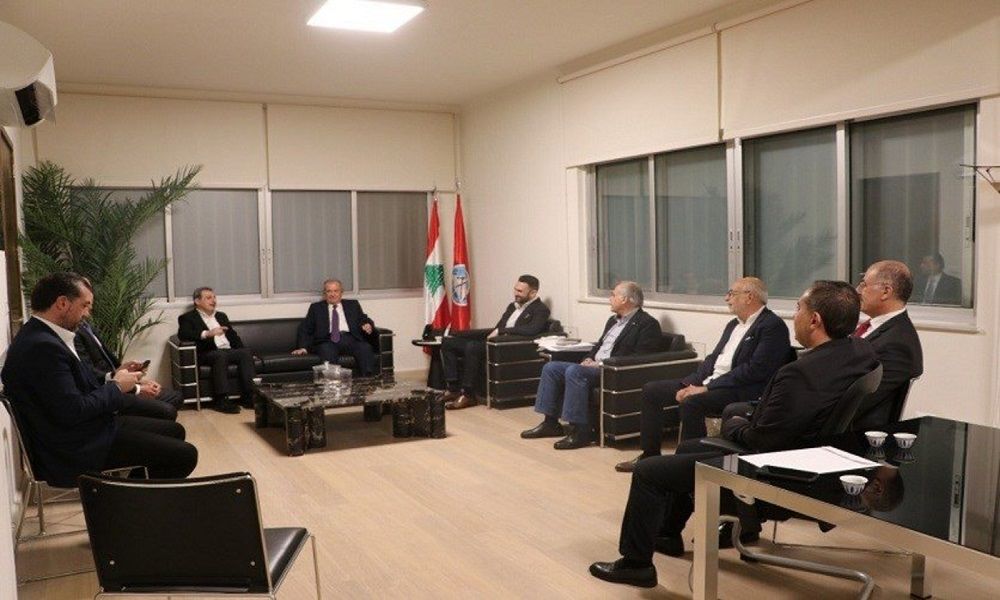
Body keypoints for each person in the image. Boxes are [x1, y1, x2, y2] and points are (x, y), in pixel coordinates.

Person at [589, 281, 878, 589]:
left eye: (798, 309)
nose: (794, 315)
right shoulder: (858, 352)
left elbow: (760, 440)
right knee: (687, 447)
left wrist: (735, 423)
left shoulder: (799, 373)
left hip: (771, 471)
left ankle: (636, 565)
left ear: (814, 320)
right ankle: (667, 534)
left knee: (649, 472)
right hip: (809, 456)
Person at [2, 272, 197, 487]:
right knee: (185, 455)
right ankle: (124, 499)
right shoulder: (43, 348)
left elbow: (78, 388)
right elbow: (74, 410)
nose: (87, 313)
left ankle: (130, 494)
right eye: (84, 305)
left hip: (88, 428)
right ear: (62, 303)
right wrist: (117, 386)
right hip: (76, 447)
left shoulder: (43, 335)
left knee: (175, 431)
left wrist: (116, 378)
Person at [615, 277, 791, 473]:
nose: (727, 298)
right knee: (652, 391)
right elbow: (713, 359)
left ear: (749, 297)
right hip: (711, 382)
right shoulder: (733, 325)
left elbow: (754, 369)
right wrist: (690, 383)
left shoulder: (772, 326)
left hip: (739, 389)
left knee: (692, 402)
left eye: (732, 293)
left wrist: (706, 388)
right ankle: (649, 455)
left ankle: (685, 466)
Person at [520, 281, 661, 450]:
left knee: (574, 371)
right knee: (551, 368)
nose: (610, 299)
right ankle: (550, 423)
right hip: (595, 366)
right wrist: (588, 358)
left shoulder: (647, 324)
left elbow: (640, 357)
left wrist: (600, 363)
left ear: (624, 299)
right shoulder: (613, 321)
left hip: (613, 371)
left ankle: (581, 431)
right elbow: (599, 345)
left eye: (613, 295)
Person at [441, 274, 551, 410]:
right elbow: (497, 328)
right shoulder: (512, 306)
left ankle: (468, 394)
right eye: (515, 289)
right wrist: (460, 333)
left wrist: (501, 331)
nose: (516, 293)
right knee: (448, 342)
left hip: (507, 348)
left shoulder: (541, 309)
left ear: (533, 293)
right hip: (494, 342)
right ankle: (453, 388)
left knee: (472, 347)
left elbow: (531, 330)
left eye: (520, 291)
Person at [852, 260, 924, 430]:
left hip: (856, 433)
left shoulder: (897, 344)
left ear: (886, 291)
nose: (857, 291)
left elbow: (857, 402)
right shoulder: (874, 328)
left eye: (864, 285)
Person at [75, 319, 183, 421]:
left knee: (176, 397)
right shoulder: (74, 336)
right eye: (84, 307)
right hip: (110, 393)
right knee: (168, 411)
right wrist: (138, 389)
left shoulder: (87, 326)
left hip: (117, 383)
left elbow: (110, 369)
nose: (89, 310)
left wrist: (134, 377)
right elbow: (93, 377)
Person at [177, 287, 256, 414]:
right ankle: (222, 400)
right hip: (207, 352)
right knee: (220, 356)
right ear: (197, 301)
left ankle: (249, 396)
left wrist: (243, 349)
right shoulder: (188, 318)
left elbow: (233, 336)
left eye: (214, 297)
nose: (213, 301)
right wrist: (207, 333)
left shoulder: (221, 316)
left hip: (227, 350)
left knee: (245, 353)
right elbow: (183, 334)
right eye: (208, 298)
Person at [292, 279, 378, 376]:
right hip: (327, 340)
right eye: (329, 291)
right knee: (327, 350)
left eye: (336, 291)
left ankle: (368, 380)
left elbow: (363, 318)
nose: (332, 294)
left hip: (350, 339)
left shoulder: (353, 305)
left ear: (341, 292)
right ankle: (333, 382)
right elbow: (305, 328)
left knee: (365, 347)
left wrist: (367, 324)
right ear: (325, 293)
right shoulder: (316, 308)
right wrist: (303, 347)